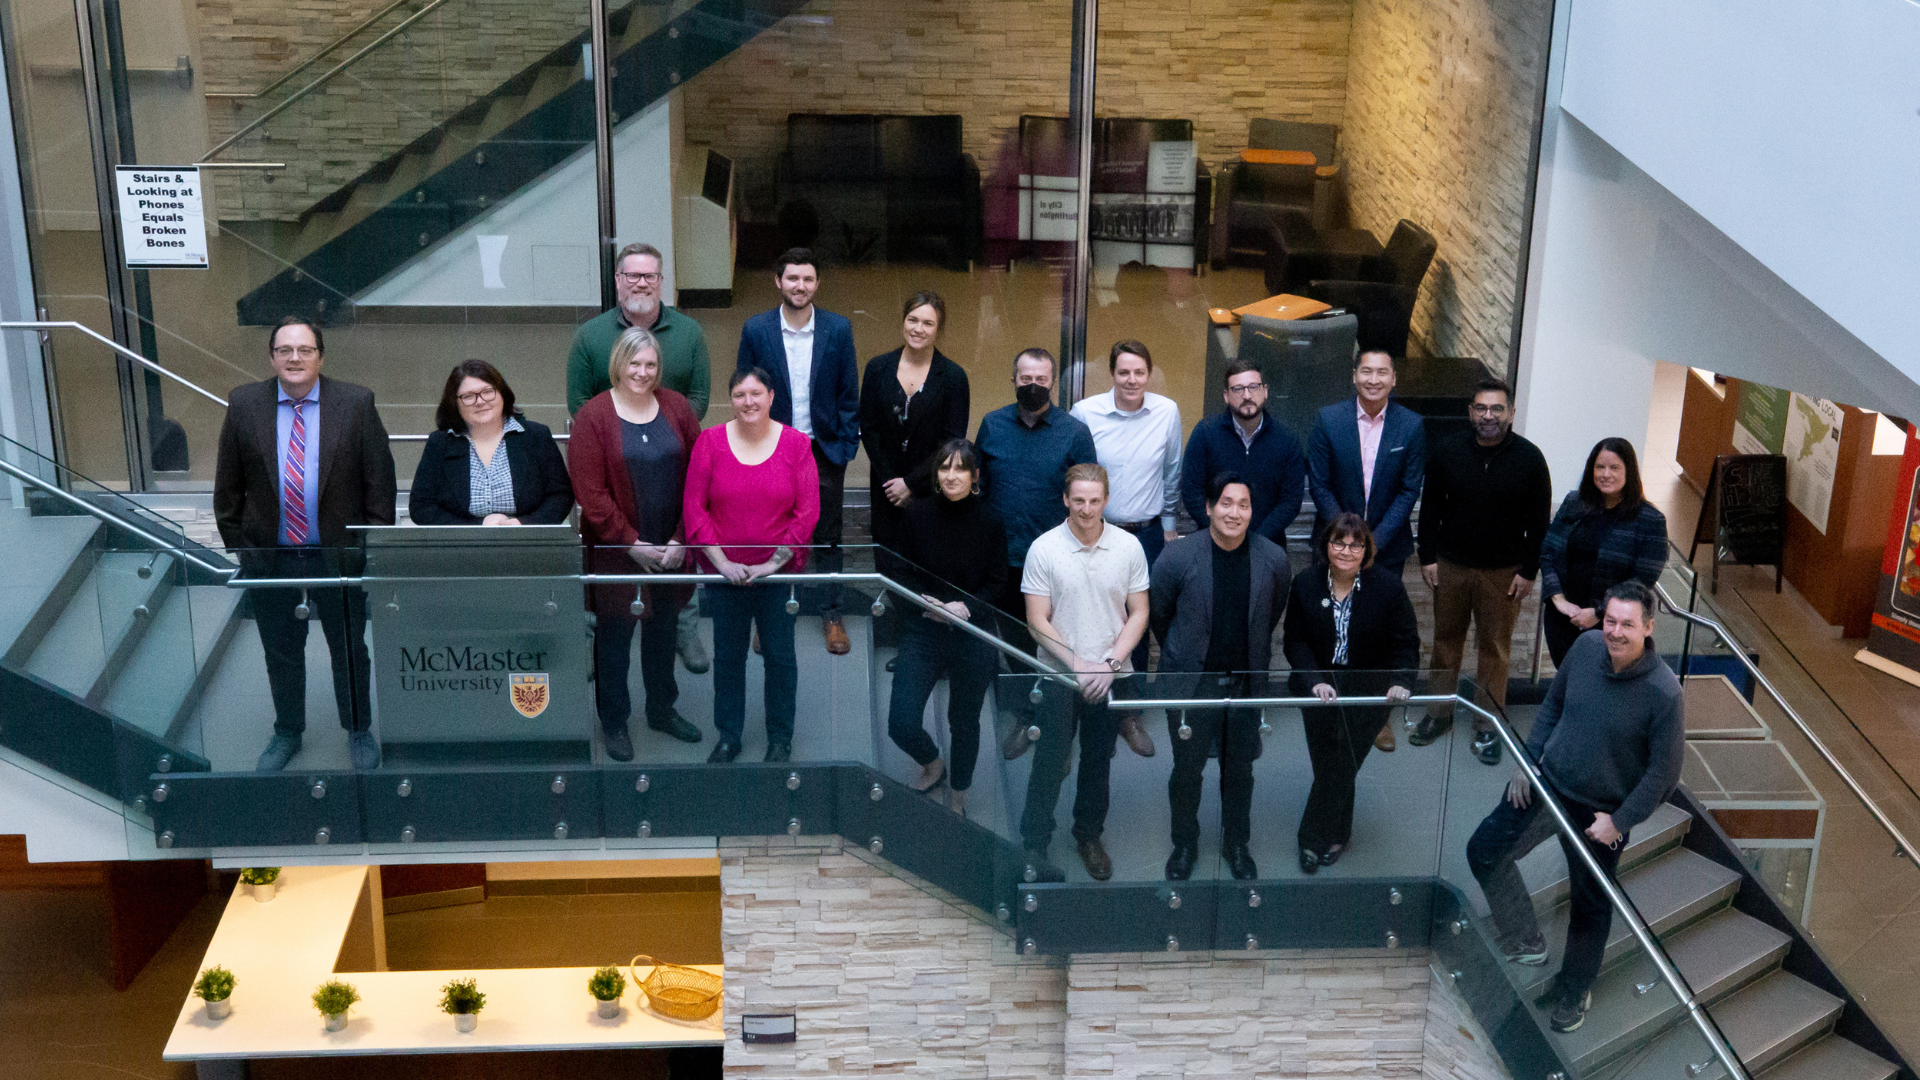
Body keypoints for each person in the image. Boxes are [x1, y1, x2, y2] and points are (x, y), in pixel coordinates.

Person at [1466, 581, 1683, 1035]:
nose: (1615, 632)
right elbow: (1554, 705)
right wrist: (1528, 762)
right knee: (1485, 848)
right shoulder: (1584, 648)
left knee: (1590, 905)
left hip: (1601, 814)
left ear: (1648, 627)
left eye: (1627, 624)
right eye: (1610, 621)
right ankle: (1526, 941)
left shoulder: (1664, 694)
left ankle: (1575, 987)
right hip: (1550, 786)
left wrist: (1619, 822)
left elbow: (1663, 777)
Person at [214, 317, 396, 773]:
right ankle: (287, 732)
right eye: (285, 350)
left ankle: (358, 729)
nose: (295, 358)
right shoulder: (243, 403)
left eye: (305, 349)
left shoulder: (355, 403)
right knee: (280, 649)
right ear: (271, 356)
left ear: (320, 355)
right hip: (271, 555)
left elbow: (380, 483)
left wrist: (367, 548)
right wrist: (242, 545)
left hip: (337, 553)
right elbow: (228, 485)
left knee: (349, 647)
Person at [565, 241, 714, 677]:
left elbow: (700, 396)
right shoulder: (590, 335)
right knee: (615, 621)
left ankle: (682, 647)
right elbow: (578, 402)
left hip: (668, 469)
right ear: (617, 281)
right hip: (615, 479)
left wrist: (667, 427)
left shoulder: (689, 332)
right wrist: (619, 429)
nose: (641, 282)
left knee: (666, 615)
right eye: (632, 275)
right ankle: (604, 677)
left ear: (661, 281)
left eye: (649, 275)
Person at [569, 328, 706, 762]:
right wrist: (630, 543)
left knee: (663, 631)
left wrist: (682, 538)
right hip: (617, 552)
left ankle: (662, 709)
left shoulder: (677, 407)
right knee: (614, 637)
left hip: (671, 548)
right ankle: (614, 722)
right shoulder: (594, 416)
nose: (642, 372)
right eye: (634, 363)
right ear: (618, 364)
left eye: (650, 364)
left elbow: (700, 477)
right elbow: (590, 494)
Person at [1149, 473, 1291, 882]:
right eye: (1225, 503)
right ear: (1209, 507)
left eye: (1243, 505)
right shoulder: (1178, 556)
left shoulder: (1273, 558)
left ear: (1252, 511)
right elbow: (1161, 614)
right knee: (1187, 770)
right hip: (1192, 683)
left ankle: (1236, 844)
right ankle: (1185, 843)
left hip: (1245, 684)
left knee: (1240, 771)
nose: (1234, 512)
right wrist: (1184, 653)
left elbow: (1271, 615)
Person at [1408, 379, 1552, 766]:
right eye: (1481, 408)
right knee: (1445, 643)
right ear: (1471, 412)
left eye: (1497, 409)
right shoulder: (1447, 451)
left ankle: (1488, 724)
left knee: (1495, 651)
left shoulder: (1531, 459)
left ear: (1511, 413)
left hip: (1504, 573)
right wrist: (1427, 557)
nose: (1488, 416)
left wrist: (1529, 571)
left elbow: (1539, 524)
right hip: (1451, 566)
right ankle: (1438, 715)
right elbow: (1432, 507)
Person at [1018, 463, 1150, 882]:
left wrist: (1109, 666)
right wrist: (1078, 665)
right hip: (1060, 675)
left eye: (1095, 501)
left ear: (1106, 500)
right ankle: (1035, 842)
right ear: (1065, 500)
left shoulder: (1129, 547)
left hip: (1109, 675)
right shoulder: (1044, 548)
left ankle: (1088, 835)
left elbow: (1139, 611)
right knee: (1050, 759)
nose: (1087, 509)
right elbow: (1037, 620)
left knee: (1098, 760)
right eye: (1079, 500)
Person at [683, 367, 821, 763]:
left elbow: (807, 512)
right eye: (740, 394)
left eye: (756, 393)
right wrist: (723, 563)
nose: (749, 402)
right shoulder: (709, 442)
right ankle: (729, 735)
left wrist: (771, 565)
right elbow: (695, 509)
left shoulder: (795, 445)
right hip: (727, 576)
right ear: (731, 399)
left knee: (780, 657)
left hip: (777, 577)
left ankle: (780, 738)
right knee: (728, 657)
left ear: (772, 396)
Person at [736, 248, 861, 656]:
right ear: (778, 281)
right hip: (772, 449)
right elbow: (745, 390)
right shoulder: (757, 330)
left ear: (817, 283)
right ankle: (770, 615)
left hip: (822, 450)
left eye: (807, 279)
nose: (800, 286)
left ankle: (831, 612)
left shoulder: (837, 330)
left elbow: (848, 394)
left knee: (827, 536)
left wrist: (844, 447)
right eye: (792, 278)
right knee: (769, 531)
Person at [975, 347, 1098, 759]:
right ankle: (1031, 713)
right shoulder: (991, 425)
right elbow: (980, 490)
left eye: (1041, 379)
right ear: (1014, 379)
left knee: (1059, 643)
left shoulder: (1074, 432)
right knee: (1018, 644)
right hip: (1003, 561)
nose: (1033, 385)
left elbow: (1088, 497)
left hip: (1059, 564)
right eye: (1025, 378)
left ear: (1052, 382)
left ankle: (1062, 725)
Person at [1282, 513, 1420, 874]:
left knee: (1343, 761)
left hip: (1369, 691)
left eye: (1355, 544)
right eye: (1338, 542)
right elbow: (1294, 642)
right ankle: (1340, 832)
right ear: (1326, 546)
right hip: (1318, 687)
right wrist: (1314, 679)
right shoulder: (1306, 584)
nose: (1346, 551)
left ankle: (1310, 839)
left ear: (1366, 550)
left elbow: (1406, 642)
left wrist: (1402, 679)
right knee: (1328, 762)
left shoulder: (1388, 587)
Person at [1307, 348, 1426, 752]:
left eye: (1382, 373)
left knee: (1377, 637)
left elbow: (1410, 488)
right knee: (1330, 631)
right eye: (1366, 371)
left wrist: (1371, 541)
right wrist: (1346, 537)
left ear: (1394, 379)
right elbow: (1319, 483)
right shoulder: (1328, 419)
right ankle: (1326, 705)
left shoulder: (1411, 426)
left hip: (1386, 549)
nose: (1374, 379)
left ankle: (1377, 718)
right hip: (1334, 549)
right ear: (1354, 375)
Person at [1071, 340, 1182, 759]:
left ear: (1148, 374)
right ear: (1112, 374)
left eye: (1139, 372)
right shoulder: (1086, 413)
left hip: (1148, 534)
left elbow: (1173, 472)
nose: (1131, 380)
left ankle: (1128, 713)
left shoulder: (1167, 412)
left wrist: (1169, 527)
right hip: (1095, 531)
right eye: (1123, 372)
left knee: (1138, 621)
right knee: (1092, 613)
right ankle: (1085, 703)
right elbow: (1075, 474)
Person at [886, 439, 1007, 817]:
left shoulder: (991, 520)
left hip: (973, 632)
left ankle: (958, 792)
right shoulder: (916, 515)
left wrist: (963, 608)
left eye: (959, 469)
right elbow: (897, 572)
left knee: (964, 720)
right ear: (936, 475)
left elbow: (998, 582)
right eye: (944, 468)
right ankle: (934, 764)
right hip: (925, 627)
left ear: (974, 476)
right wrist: (928, 604)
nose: (951, 476)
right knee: (901, 721)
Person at [859, 291, 970, 578]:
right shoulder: (877, 368)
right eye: (913, 320)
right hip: (886, 491)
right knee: (886, 571)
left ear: (938, 329)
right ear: (903, 321)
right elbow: (869, 429)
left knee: (925, 572)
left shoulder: (954, 378)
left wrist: (911, 483)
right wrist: (891, 483)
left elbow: (952, 440)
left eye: (928, 323)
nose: (918, 329)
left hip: (929, 491)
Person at [1538, 437, 1668, 666]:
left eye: (1614, 467)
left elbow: (1641, 582)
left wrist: (1599, 612)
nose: (1606, 474)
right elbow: (1548, 551)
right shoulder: (1573, 502)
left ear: (1629, 471)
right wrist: (1558, 600)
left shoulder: (1651, 520)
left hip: (1612, 625)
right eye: (1600, 467)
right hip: (1563, 618)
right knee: (1568, 679)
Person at [408, 360, 572, 526]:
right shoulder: (440, 443)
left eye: (487, 391)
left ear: (503, 393)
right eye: (468, 396)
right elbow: (421, 507)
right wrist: (478, 527)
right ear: (455, 403)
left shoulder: (536, 436)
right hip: (462, 546)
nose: (480, 401)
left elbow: (560, 495)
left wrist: (523, 524)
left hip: (529, 543)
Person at [1179, 358, 1307, 544]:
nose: (1247, 395)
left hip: (1267, 546)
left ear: (1265, 391)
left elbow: (1290, 502)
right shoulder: (1205, 433)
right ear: (1226, 396)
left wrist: (1256, 541)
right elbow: (1192, 492)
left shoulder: (1287, 439)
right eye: (1238, 389)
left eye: (1253, 387)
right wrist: (1221, 533)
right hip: (1212, 544)